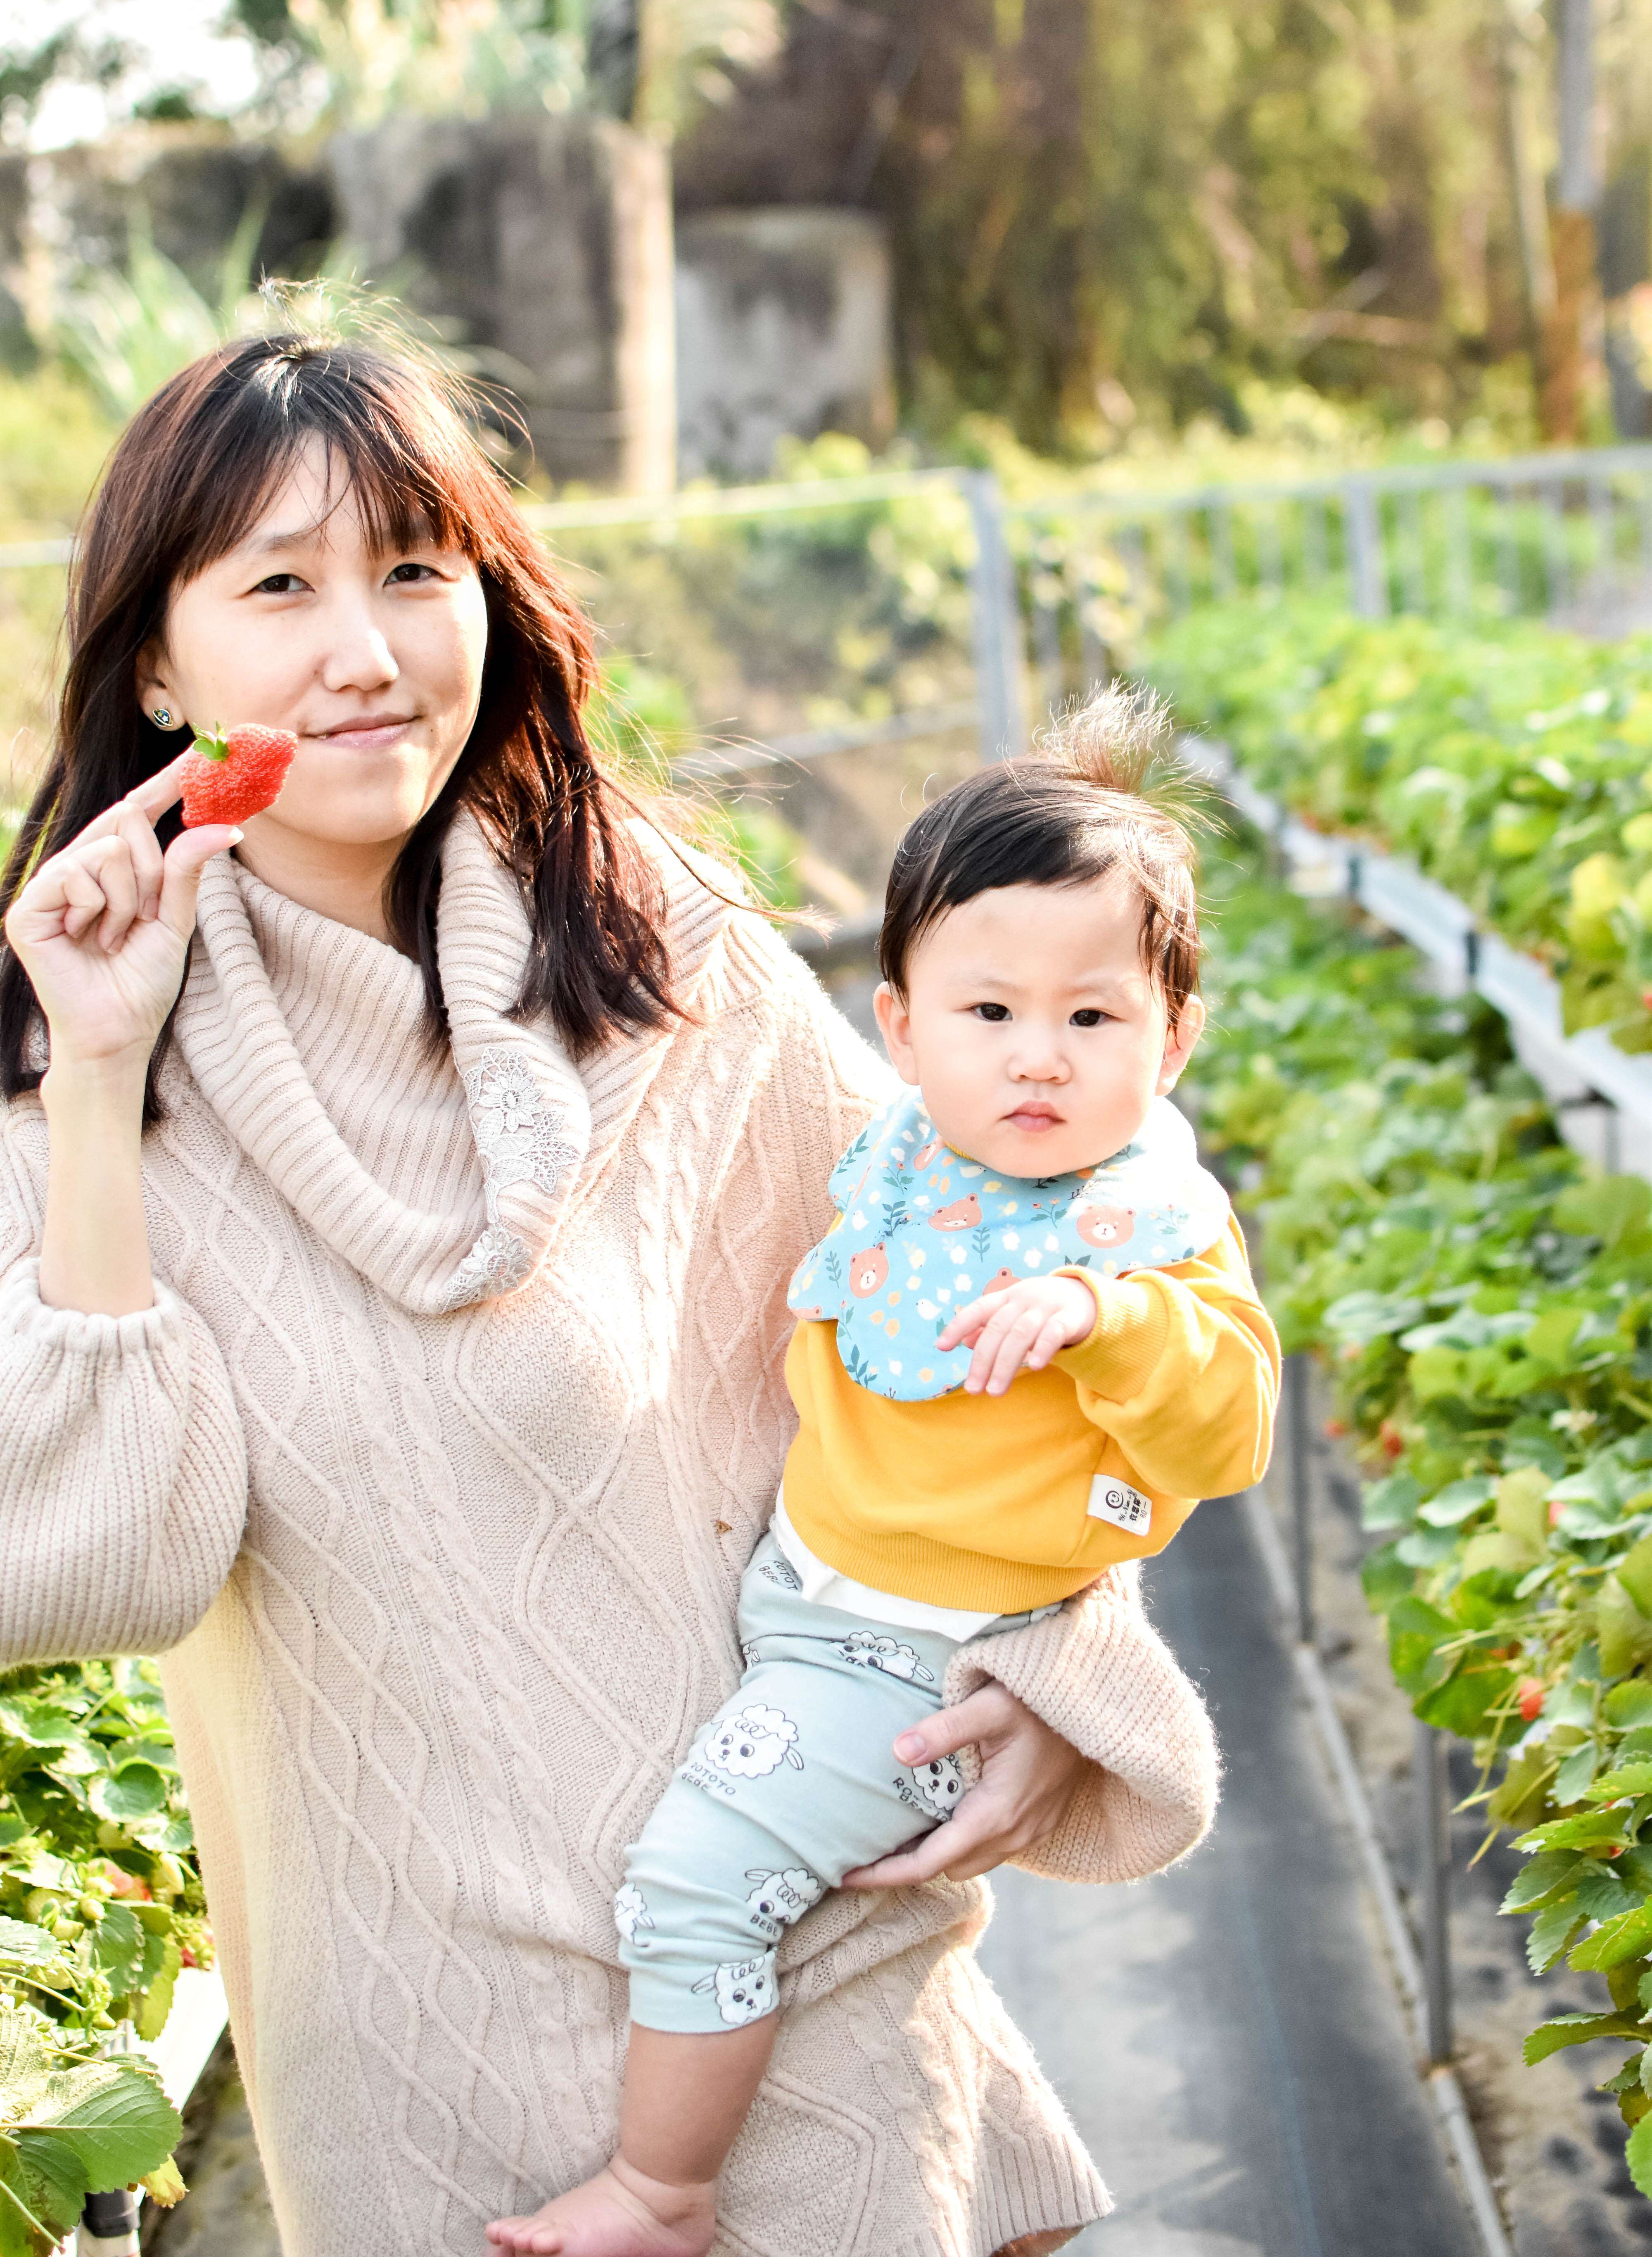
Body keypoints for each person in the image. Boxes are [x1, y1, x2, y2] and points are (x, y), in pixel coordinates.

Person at [2, 328, 1221, 2257]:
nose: (368, 651)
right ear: (157, 664)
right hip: (418, 2071)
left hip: (812, 1964)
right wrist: (83, 1078)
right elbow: (91, 1567)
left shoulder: (660, 949)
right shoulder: (79, 1052)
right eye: (280, 587)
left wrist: (1058, 1666)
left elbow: (1033, 1282)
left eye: (416, 570)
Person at [491, 691, 1279, 2257]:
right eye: (989, 1015)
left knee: (701, 1880)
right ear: (901, 1023)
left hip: (911, 1654)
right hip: (803, 1594)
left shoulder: (1144, 1230)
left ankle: (663, 2188)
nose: (1039, 1058)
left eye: (1095, 1017)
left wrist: (1106, 1321)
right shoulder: (912, 1162)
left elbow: (1228, 1434)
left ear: (1174, 1033)